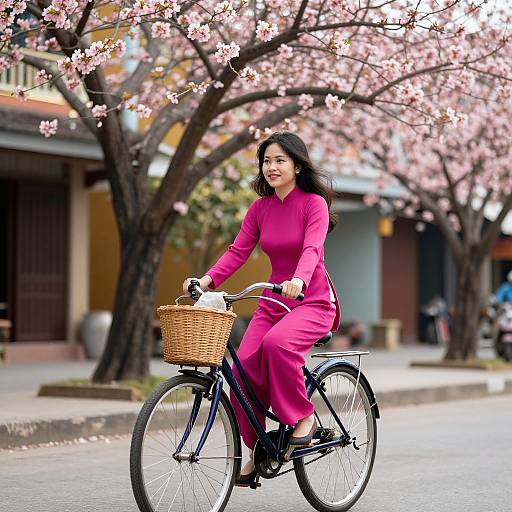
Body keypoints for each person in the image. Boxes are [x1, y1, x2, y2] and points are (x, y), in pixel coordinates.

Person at [182, 131, 340, 488]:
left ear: (297, 166)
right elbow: (238, 251)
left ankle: (303, 416)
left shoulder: (313, 203)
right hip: (273, 301)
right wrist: (205, 281)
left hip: (311, 300)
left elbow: (311, 249)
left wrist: (299, 279)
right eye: (266, 161)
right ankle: (258, 449)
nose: (271, 167)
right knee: (238, 375)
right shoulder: (260, 209)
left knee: (277, 346)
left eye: (279, 160)